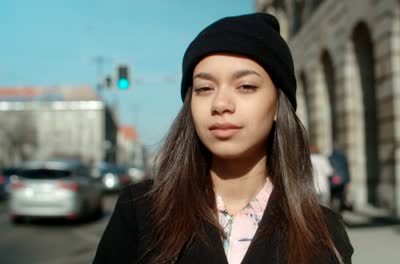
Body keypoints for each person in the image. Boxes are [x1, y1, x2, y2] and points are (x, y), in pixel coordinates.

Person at [93, 13, 353, 264]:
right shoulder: (141, 211)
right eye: (204, 88)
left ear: (278, 104)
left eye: (246, 86)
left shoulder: (325, 233)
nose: (220, 104)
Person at [328, 146, 353, 212]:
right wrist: (348, 180)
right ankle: (340, 210)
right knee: (341, 195)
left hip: (333, 179)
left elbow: (329, 169)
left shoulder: (330, 157)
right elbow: (346, 169)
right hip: (343, 179)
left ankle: (334, 209)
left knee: (333, 195)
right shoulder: (343, 158)